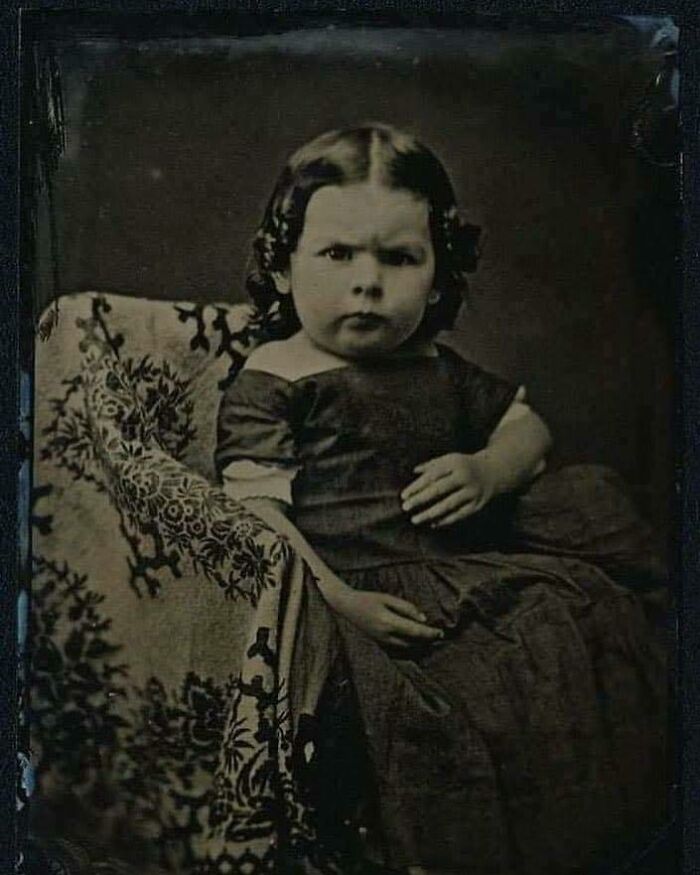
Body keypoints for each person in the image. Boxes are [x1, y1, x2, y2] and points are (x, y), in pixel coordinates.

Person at [215, 124, 667, 875]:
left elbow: (529, 427)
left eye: (399, 258)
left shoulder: (434, 365)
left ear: (436, 278)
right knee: (444, 713)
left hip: (460, 575)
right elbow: (258, 518)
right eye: (338, 254)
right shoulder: (275, 378)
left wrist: (487, 469)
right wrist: (339, 602)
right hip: (346, 590)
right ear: (284, 266)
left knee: (560, 627)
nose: (368, 282)